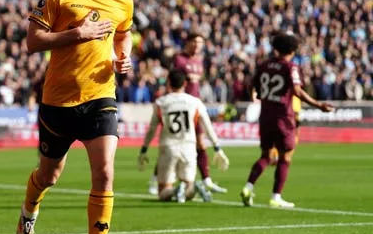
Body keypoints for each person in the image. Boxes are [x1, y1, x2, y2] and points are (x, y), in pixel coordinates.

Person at [15, 0, 133, 234]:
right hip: (58, 102)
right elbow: (33, 43)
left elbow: (124, 33)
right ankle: (29, 211)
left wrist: (122, 58)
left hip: (101, 97)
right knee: (49, 176)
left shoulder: (123, 0)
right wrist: (76, 35)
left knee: (106, 174)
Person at [241, 32, 333, 208]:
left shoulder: (264, 65)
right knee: (286, 156)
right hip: (283, 117)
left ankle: (248, 187)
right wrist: (318, 104)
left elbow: (252, 84)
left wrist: (260, 94)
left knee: (266, 155)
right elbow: (297, 91)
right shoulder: (290, 67)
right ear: (293, 49)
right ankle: (276, 197)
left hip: (266, 116)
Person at [147, 33, 227, 196]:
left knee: (201, 144)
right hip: (179, 106)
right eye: (195, 42)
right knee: (171, 144)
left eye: (201, 43)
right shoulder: (179, 59)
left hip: (194, 106)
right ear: (188, 43)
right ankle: (156, 179)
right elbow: (173, 80)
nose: (198, 45)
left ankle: (207, 181)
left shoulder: (199, 61)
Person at [138, 71, 230, 203]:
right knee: (189, 187)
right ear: (185, 84)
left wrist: (144, 149)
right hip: (189, 146)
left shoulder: (161, 103)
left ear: (168, 83)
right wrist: (217, 148)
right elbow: (208, 126)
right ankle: (195, 188)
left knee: (163, 192)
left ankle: (175, 190)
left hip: (168, 146)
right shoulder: (195, 102)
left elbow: (152, 129)